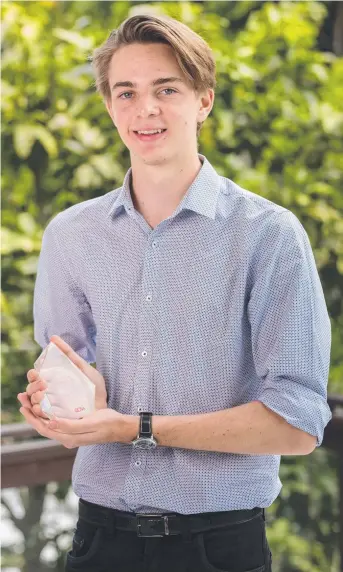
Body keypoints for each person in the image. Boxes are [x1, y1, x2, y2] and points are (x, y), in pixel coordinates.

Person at [18, 13, 332, 572]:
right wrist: (57, 406)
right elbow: (67, 375)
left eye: (167, 89)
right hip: (97, 543)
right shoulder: (71, 236)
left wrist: (136, 429)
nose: (146, 109)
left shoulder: (269, 236)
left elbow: (298, 423)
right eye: (127, 92)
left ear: (204, 99)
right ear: (110, 106)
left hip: (219, 548)